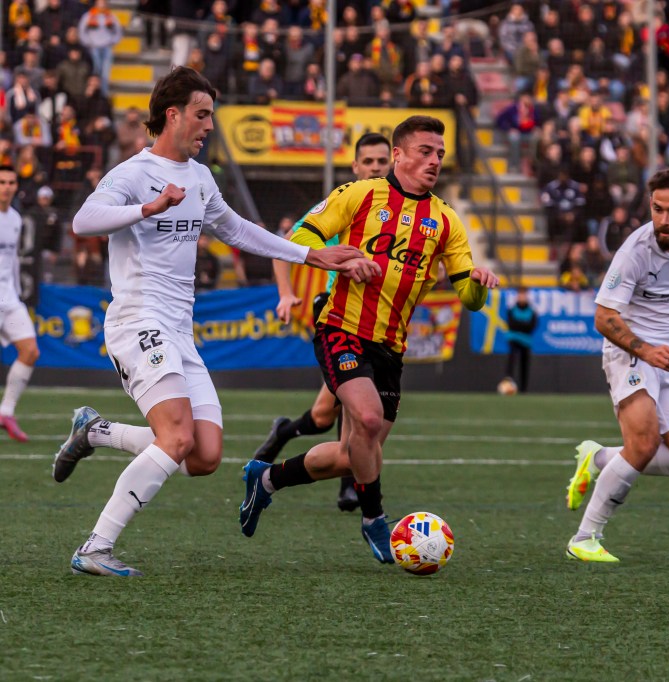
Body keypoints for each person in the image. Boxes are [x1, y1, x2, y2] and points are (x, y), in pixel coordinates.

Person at [50, 67, 374, 577]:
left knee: (202, 455)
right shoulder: (132, 174)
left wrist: (311, 256)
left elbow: (239, 230)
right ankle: (95, 545)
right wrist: (147, 207)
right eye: (202, 116)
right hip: (137, 319)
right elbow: (83, 221)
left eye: (211, 117)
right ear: (173, 114)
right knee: (176, 437)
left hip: (180, 330)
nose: (208, 127)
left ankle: (96, 431)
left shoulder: (200, 177)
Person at [237, 115, 499, 564]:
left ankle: (266, 479)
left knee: (351, 455)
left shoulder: (446, 220)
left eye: (439, 153)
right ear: (398, 155)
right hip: (341, 326)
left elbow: (469, 299)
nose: (435, 160)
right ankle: (374, 519)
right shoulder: (360, 194)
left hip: (390, 348)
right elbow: (299, 237)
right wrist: (338, 263)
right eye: (425, 151)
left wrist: (476, 281)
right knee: (368, 419)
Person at [564, 169, 669, 562]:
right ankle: (584, 537)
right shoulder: (636, 251)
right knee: (644, 443)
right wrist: (646, 348)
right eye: (656, 209)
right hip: (630, 351)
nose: (663, 220)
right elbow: (603, 317)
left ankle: (600, 458)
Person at [253, 132, 391, 514]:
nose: (376, 168)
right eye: (369, 162)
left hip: (380, 320)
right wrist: (285, 293)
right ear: (356, 167)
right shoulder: (345, 200)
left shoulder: (402, 207)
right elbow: (284, 246)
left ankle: (284, 431)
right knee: (358, 403)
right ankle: (354, 490)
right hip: (337, 313)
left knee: (320, 416)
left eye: (382, 162)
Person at [0, 166, 39, 442]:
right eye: (1, 182)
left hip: (8, 298)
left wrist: (16, 291)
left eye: (11, 182)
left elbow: (12, 259)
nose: (6, 186)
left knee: (30, 350)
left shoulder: (14, 218)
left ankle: (6, 412)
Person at [503, 287, 537, 393]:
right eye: (520, 295)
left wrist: (520, 325)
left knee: (524, 364)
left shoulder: (532, 311)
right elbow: (511, 324)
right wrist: (523, 325)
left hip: (526, 341)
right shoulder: (512, 310)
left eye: (524, 295)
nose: (522, 297)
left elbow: (531, 326)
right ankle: (508, 382)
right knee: (512, 360)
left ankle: (523, 389)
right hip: (514, 339)